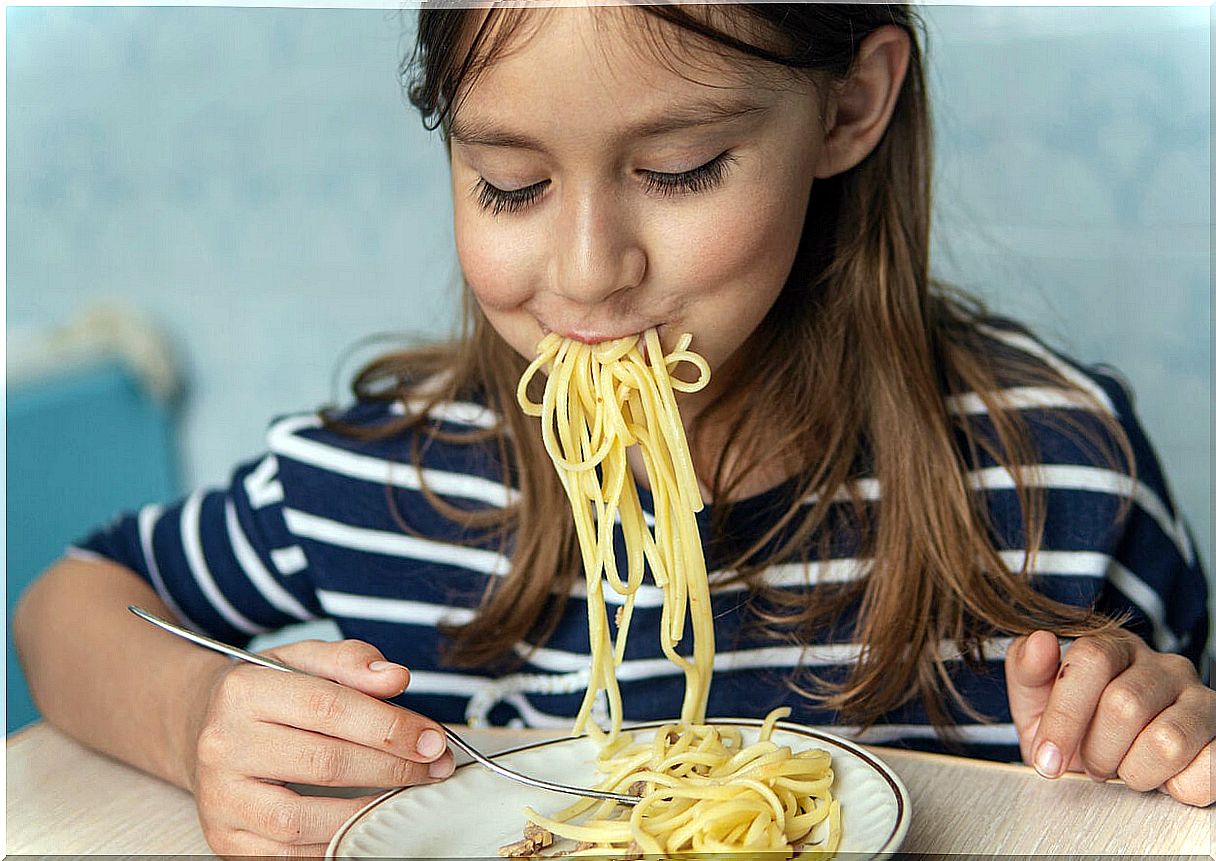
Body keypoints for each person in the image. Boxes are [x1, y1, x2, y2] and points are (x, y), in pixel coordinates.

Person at [14, 3, 1212, 856]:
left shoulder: (1058, 467)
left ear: (849, 107)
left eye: (683, 167)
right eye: (510, 184)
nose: (588, 274)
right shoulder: (376, 476)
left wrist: (1155, 724)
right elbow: (66, 603)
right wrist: (194, 722)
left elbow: (1176, 749)